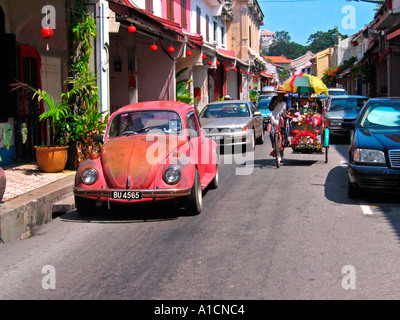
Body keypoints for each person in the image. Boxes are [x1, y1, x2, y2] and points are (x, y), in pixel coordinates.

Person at [268, 85, 292, 157]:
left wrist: (288, 113)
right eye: (279, 93)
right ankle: (275, 148)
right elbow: (270, 108)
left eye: (282, 94)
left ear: (284, 94)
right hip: (275, 118)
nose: (280, 95)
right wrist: (276, 102)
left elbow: (289, 109)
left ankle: (285, 140)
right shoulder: (274, 99)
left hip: (283, 118)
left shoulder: (287, 100)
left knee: (284, 129)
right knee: (272, 133)